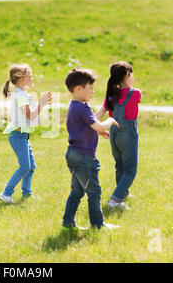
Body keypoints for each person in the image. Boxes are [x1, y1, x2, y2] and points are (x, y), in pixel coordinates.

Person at [62, 67, 120, 230]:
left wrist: (98, 130)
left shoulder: (74, 105)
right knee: (94, 191)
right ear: (79, 89)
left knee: (77, 191)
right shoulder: (83, 107)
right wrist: (110, 121)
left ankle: (67, 223)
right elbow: (99, 125)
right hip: (84, 157)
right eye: (91, 88)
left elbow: (87, 125)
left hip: (73, 154)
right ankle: (97, 224)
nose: (93, 92)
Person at [0, 64, 52, 203]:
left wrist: (42, 103)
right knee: (25, 167)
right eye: (30, 76)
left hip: (23, 136)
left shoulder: (23, 95)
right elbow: (30, 116)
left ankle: (26, 194)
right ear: (22, 79)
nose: (32, 78)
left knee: (31, 167)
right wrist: (42, 103)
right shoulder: (20, 96)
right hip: (18, 137)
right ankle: (6, 193)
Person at [96, 61, 141, 210]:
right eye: (132, 74)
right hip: (127, 135)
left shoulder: (112, 94)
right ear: (127, 74)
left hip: (114, 134)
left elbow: (101, 111)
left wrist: (93, 125)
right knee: (130, 170)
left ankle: (123, 193)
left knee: (120, 166)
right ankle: (115, 201)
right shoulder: (135, 93)